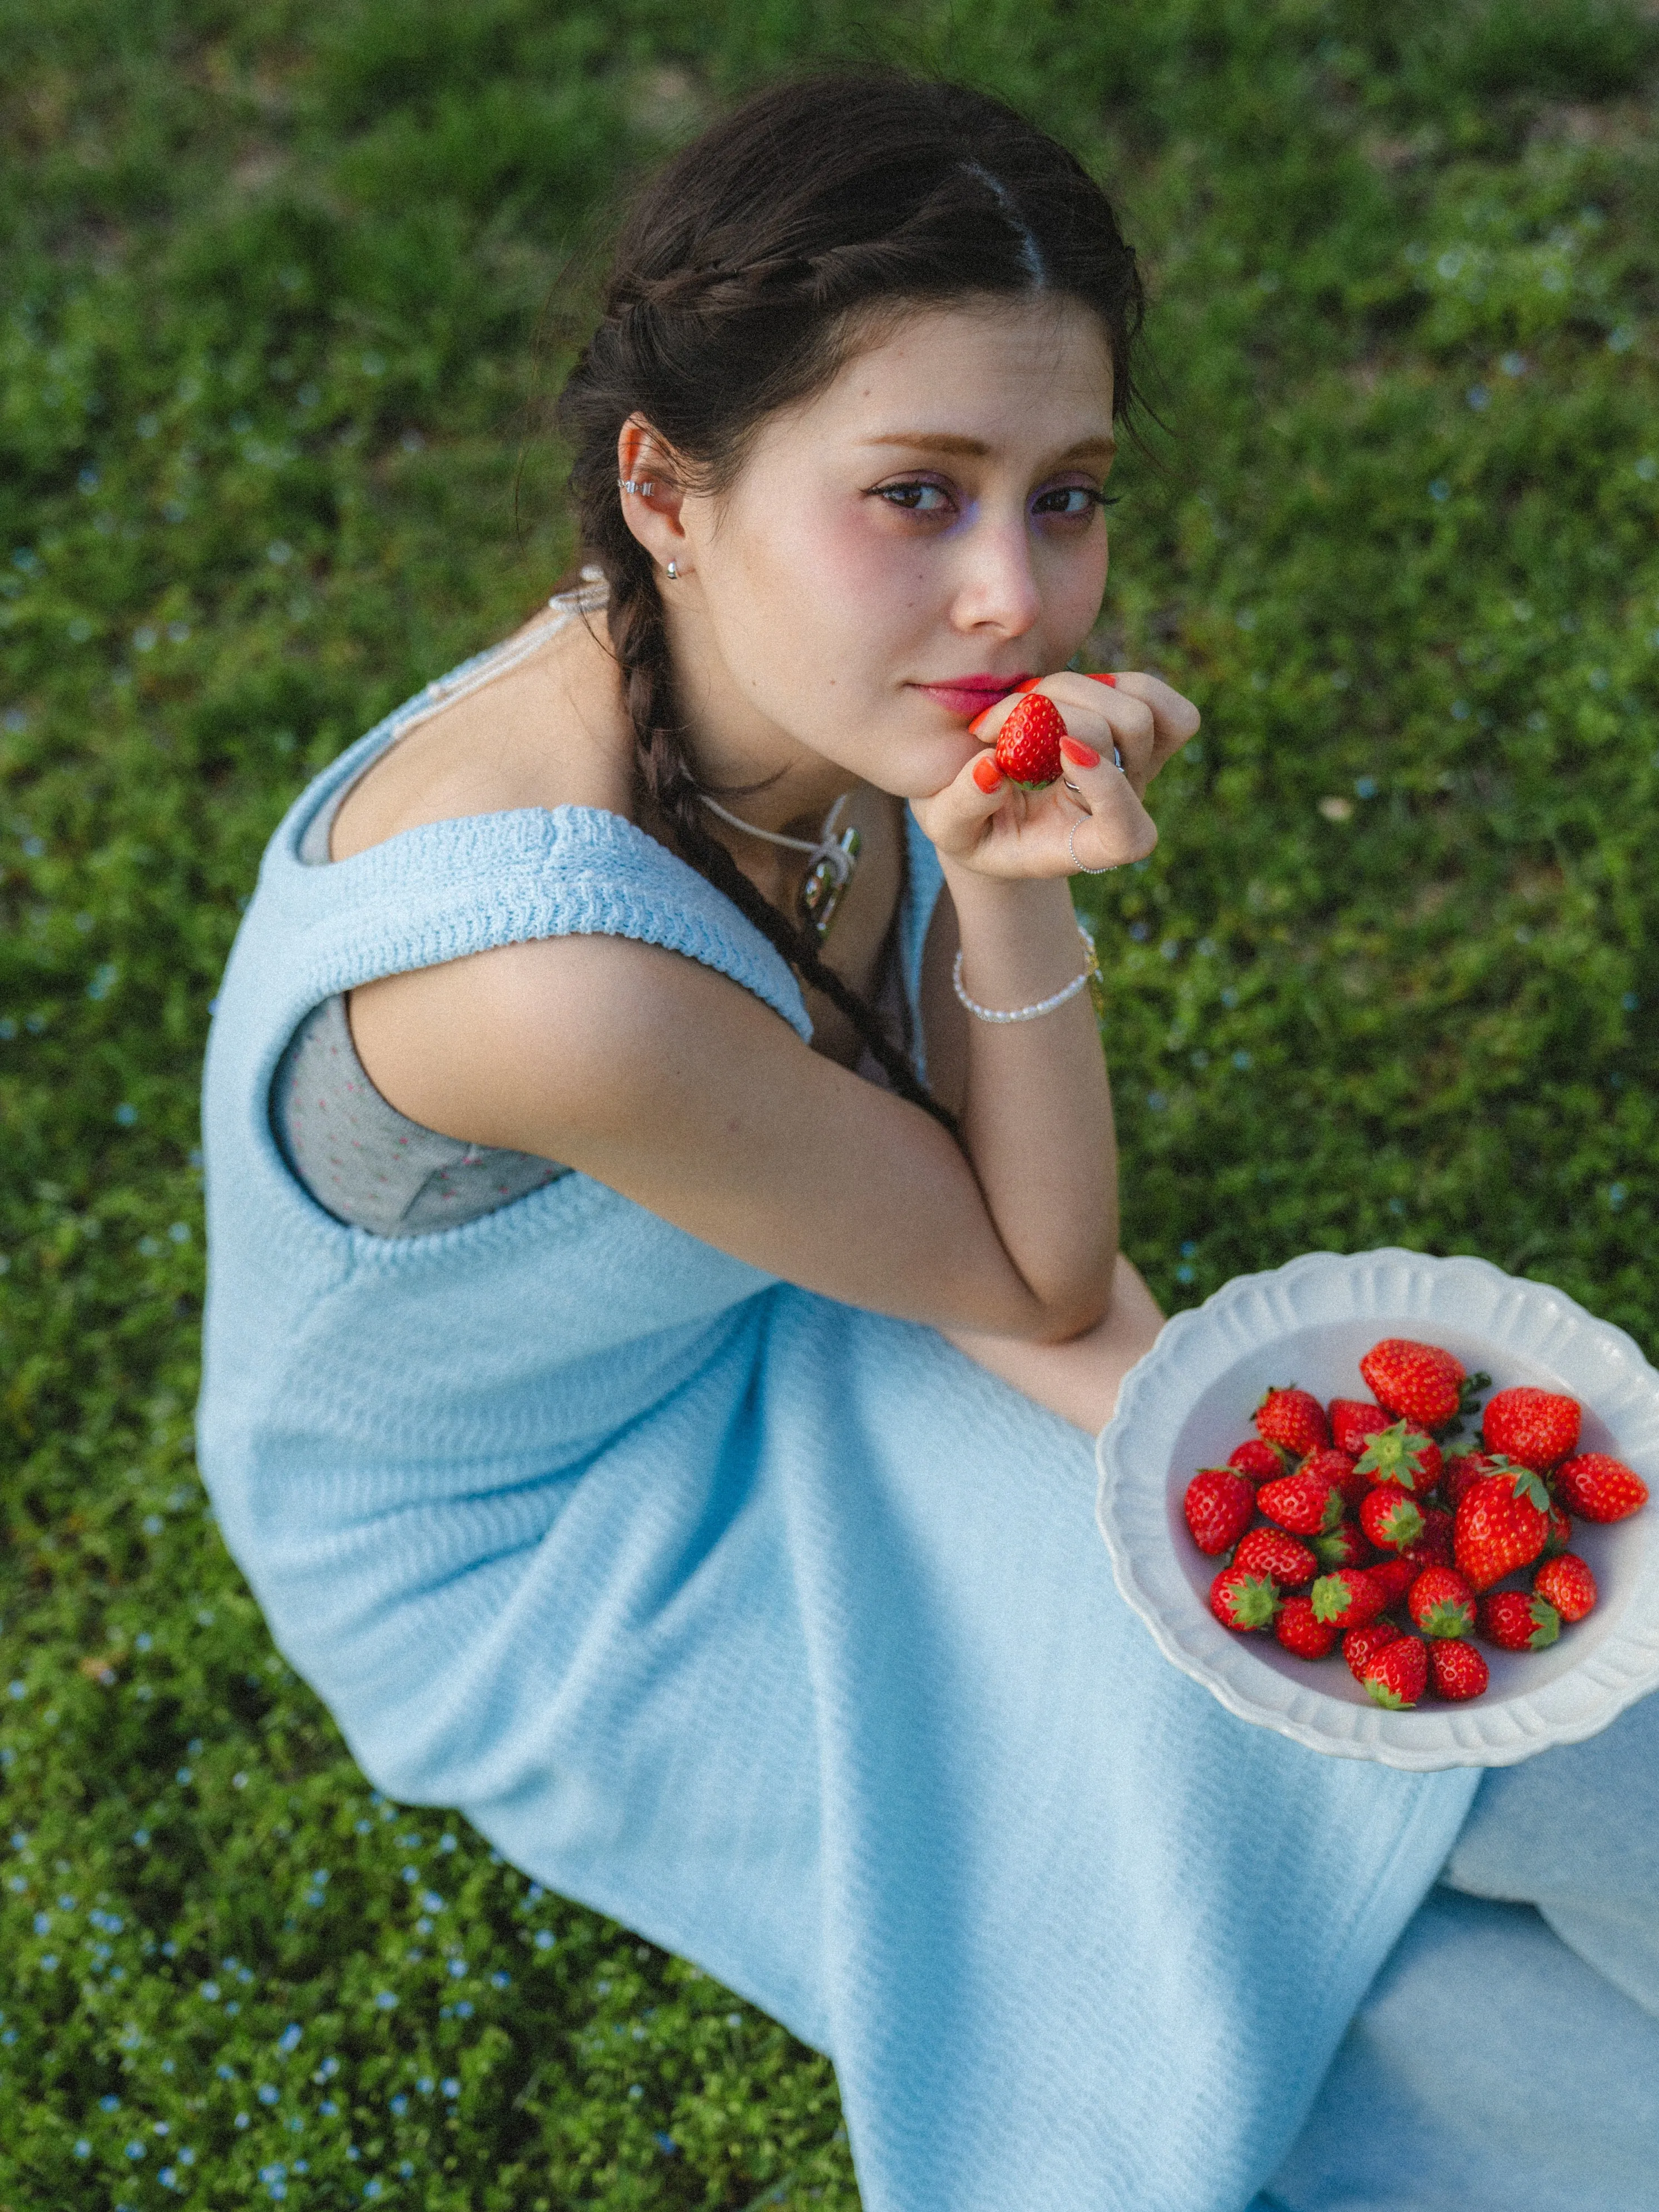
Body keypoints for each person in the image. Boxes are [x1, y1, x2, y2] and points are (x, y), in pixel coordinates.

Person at [197, 72, 1657, 2212]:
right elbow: (1033, 1270)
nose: (1014, 602)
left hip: (807, 1277)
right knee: (1356, 1942)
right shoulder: (558, 981)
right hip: (567, 1551)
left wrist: (1216, 1466)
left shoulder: (759, 672)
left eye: (1064, 496)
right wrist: (1010, 886)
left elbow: (999, 1246)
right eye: (916, 493)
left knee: (1538, 1671)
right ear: (665, 487)